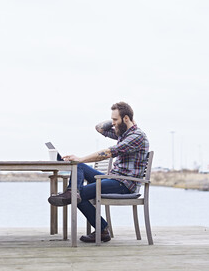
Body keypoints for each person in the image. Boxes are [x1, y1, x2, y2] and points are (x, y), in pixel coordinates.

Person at [48, 102, 149, 243]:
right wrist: (123, 121)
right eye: (112, 120)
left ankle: (102, 230)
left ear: (125, 118)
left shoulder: (136, 136)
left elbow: (108, 152)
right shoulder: (124, 133)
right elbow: (99, 128)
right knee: (80, 167)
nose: (113, 124)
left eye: (115, 120)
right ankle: (72, 191)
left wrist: (81, 157)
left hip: (125, 184)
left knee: (79, 195)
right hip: (115, 178)